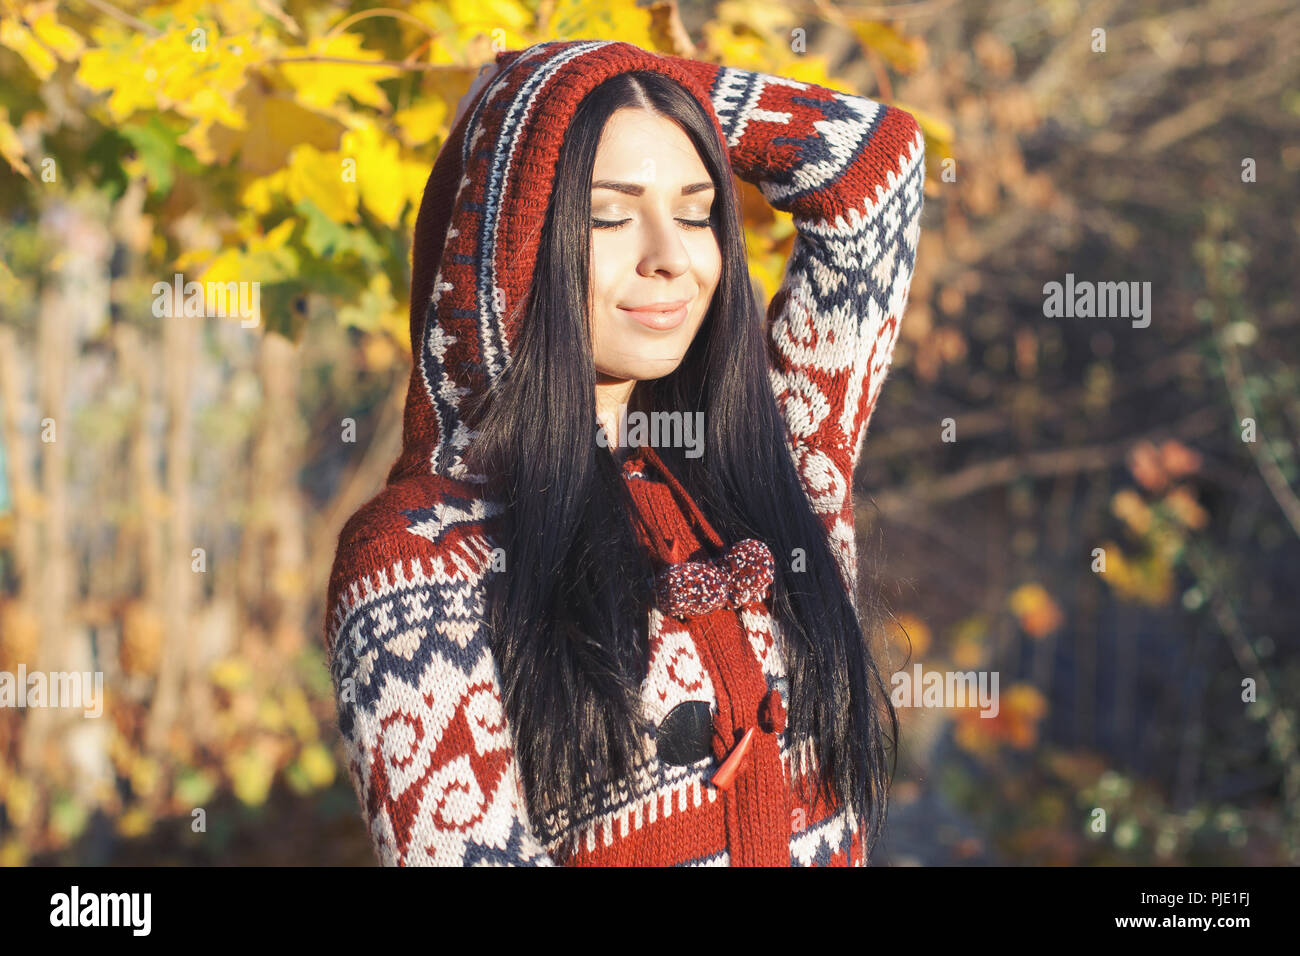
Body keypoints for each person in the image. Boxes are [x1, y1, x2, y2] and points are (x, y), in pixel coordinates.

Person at [324, 38, 926, 866]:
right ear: (515, 243)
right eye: (609, 215)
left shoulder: (777, 468)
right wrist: (538, 111)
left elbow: (874, 164)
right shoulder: (420, 560)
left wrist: (609, 77)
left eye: (696, 210)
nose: (670, 256)